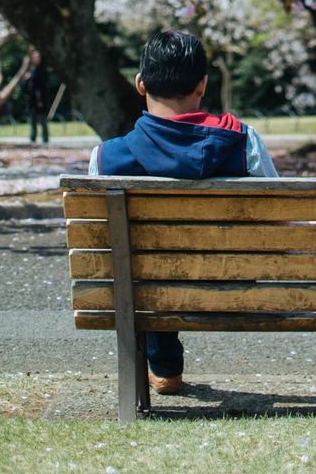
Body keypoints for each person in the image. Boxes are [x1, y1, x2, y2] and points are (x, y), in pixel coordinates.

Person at [88, 28, 278, 397]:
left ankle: (164, 369)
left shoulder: (107, 159)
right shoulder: (243, 141)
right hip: (236, 285)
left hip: (145, 289)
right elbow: (278, 218)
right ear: (202, 85)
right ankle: (165, 369)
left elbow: (100, 244)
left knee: (143, 264)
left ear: (141, 84)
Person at [23, 50, 50, 144]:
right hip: (31, 100)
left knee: (42, 120)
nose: (36, 59)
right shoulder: (32, 69)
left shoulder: (42, 70)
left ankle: (45, 138)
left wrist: (40, 99)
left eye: (37, 57)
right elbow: (26, 87)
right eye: (34, 57)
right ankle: (33, 138)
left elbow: (41, 86)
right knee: (33, 121)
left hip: (40, 99)